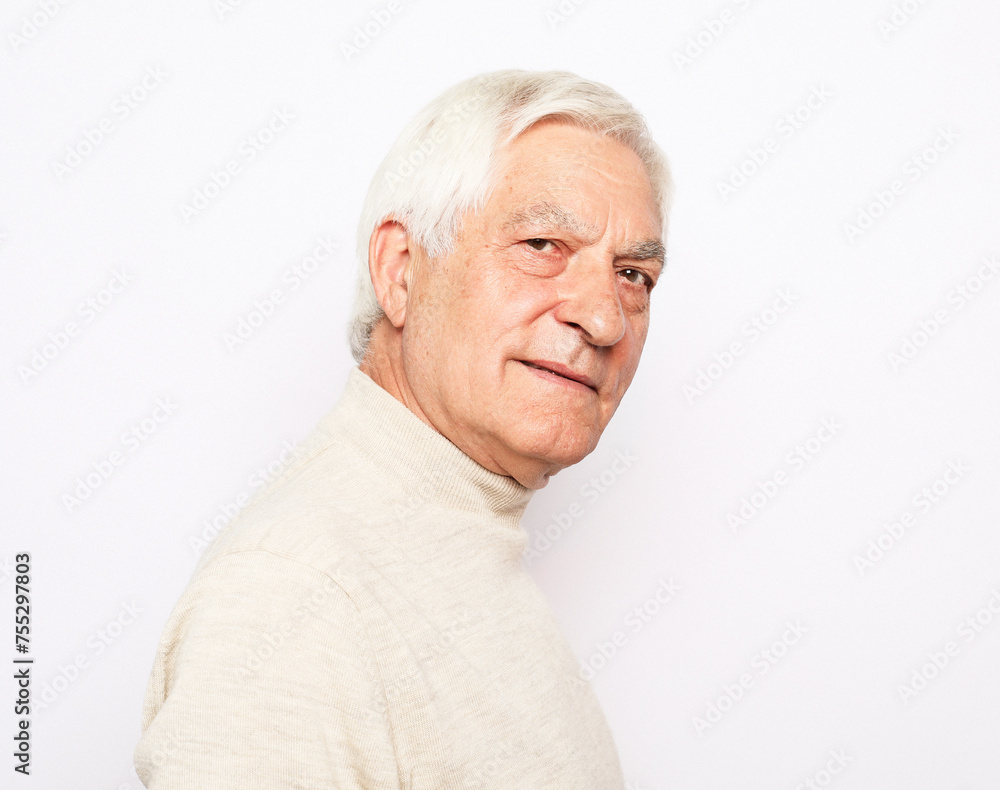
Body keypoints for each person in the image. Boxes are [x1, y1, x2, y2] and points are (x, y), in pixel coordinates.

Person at [134, 68, 673, 789]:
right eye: (542, 244)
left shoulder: (459, 545)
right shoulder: (291, 598)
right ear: (400, 271)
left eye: (633, 275)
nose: (604, 318)